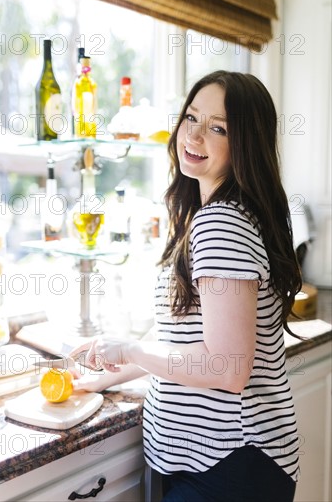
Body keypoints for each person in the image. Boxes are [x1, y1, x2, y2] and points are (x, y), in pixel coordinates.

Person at [70, 71, 302, 502]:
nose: (194, 135)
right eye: (191, 117)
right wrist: (113, 373)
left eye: (218, 128)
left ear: (244, 144)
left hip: (227, 468)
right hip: (228, 465)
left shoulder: (221, 223)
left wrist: (131, 350)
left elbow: (227, 366)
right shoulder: (218, 211)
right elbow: (189, 339)